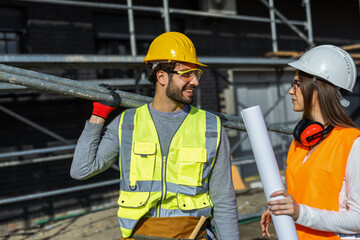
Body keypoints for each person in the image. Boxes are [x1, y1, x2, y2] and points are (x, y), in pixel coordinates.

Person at [70, 32, 240, 240]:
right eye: (186, 74)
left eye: (196, 74)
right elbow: (81, 170)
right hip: (141, 234)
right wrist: (98, 115)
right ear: (161, 76)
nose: (195, 81)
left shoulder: (210, 126)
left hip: (193, 233)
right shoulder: (127, 124)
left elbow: (224, 201)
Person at [260, 44, 360, 239]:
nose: (291, 91)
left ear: (318, 87)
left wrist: (299, 213)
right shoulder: (300, 142)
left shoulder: (352, 144)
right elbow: (305, 197)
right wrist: (283, 211)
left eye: (296, 83)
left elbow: (358, 219)